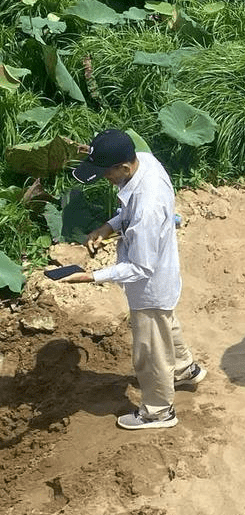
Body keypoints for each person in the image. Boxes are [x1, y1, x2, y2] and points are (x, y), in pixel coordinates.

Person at [59, 129, 206, 430]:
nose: (104, 178)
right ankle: (184, 369)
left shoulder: (148, 204)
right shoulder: (146, 162)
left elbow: (140, 267)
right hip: (162, 278)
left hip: (150, 283)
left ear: (124, 168)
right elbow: (128, 211)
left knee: (149, 352)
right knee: (165, 323)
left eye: (106, 173)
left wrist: (91, 276)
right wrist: (108, 227)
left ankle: (158, 412)